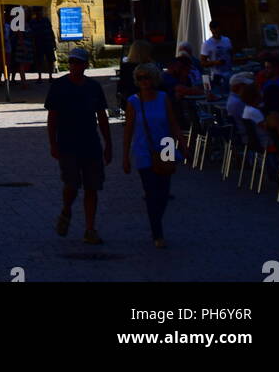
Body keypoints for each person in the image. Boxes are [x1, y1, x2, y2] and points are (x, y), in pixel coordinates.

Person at [45, 47, 112, 245]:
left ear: (85, 65)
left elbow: (102, 116)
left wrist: (109, 144)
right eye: (72, 61)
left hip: (91, 143)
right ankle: (66, 210)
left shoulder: (94, 87)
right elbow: (52, 118)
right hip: (67, 144)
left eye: (78, 62)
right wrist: (52, 143)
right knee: (72, 185)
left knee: (92, 187)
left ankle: (90, 229)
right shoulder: (59, 86)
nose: (74, 65)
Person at [123, 62, 186, 248]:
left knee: (164, 192)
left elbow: (173, 123)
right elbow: (128, 131)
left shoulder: (163, 97)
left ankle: (156, 221)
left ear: (154, 79)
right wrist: (125, 157)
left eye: (147, 77)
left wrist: (183, 145)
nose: (144, 81)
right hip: (144, 150)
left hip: (166, 146)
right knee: (151, 193)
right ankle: (157, 232)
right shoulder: (133, 102)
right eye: (140, 78)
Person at [200, 21, 233, 91]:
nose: (217, 32)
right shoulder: (207, 44)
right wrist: (215, 62)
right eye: (214, 30)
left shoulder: (227, 40)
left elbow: (231, 55)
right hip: (216, 75)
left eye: (218, 29)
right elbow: (202, 63)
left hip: (230, 73)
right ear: (211, 30)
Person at [118, 40, 152, 105]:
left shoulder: (126, 67)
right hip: (143, 99)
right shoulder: (149, 67)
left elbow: (122, 87)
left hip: (130, 100)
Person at [30, 8, 57, 82]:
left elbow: (51, 31)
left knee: (50, 60)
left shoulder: (46, 20)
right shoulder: (33, 22)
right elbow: (32, 34)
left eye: (40, 11)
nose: (39, 13)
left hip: (48, 42)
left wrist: (53, 41)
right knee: (39, 61)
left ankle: (50, 77)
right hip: (38, 43)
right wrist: (33, 44)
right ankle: (39, 77)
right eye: (38, 11)